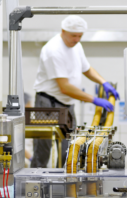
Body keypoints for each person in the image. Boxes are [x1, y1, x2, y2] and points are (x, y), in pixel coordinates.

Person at [31, 15, 119, 168]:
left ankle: (64, 185)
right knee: (43, 150)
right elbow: (65, 87)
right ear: (63, 31)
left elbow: (87, 69)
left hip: (67, 104)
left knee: (70, 148)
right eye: (74, 35)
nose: (77, 39)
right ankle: (35, 187)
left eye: (80, 36)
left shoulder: (76, 45)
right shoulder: (53, 50)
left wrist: (103, 82)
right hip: (48, 103)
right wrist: (94, 99)